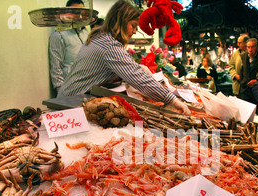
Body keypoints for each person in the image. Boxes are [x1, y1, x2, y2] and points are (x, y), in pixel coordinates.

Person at [57, 0, 190, 115]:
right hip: (70, 105)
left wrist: (138, 68)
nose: (133, 31)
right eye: (133, 26)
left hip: (68, 99)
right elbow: (139, 79)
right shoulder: (109, 44)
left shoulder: (100, 36)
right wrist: (172, 99)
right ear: (120, 21)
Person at [48, 0, 89, 94]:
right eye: (76, 12)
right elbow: (56, 67)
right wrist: (61, 92)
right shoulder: (59, 34)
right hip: (69, 90)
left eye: (82, 12)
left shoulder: (85, 33)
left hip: (86, 88)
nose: (80, 15)